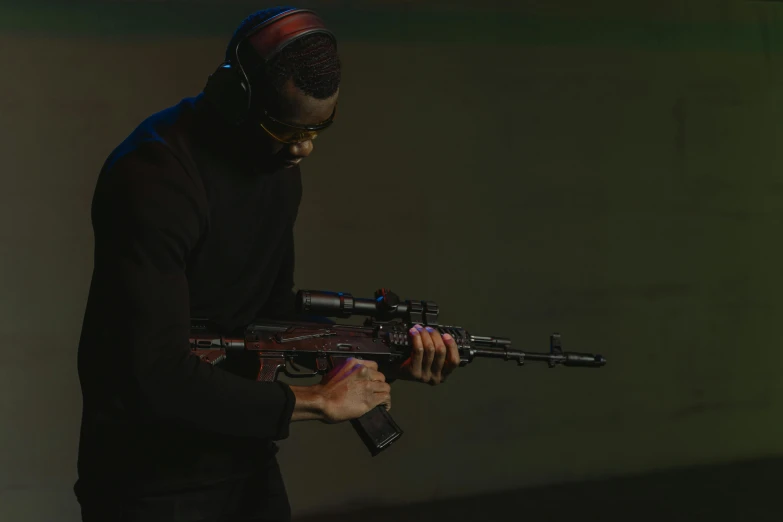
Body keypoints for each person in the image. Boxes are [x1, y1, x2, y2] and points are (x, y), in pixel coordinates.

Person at [74, 6, 460, 522]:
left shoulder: (279, 168)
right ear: (236, 97)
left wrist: (381, 355)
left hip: (243, 459)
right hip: (147, 479)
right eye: (284, 128)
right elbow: (155, 373)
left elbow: (271, 312)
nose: (302, 148)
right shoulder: (154, 178)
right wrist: (318, 400)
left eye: (319, 129)